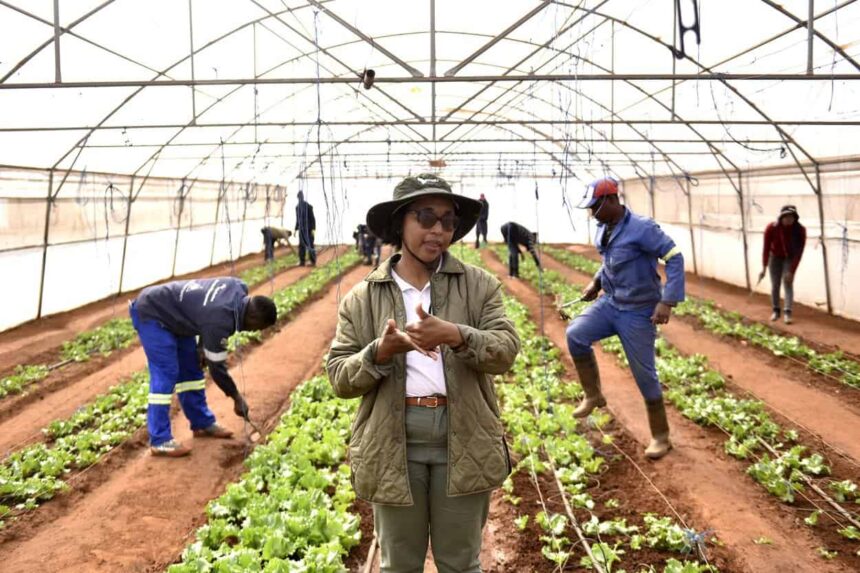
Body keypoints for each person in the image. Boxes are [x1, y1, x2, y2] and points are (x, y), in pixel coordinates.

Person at [327, 173, 520, 572]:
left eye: (448, 221)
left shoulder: (479, 286)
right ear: (400, 223)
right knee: (399, 564)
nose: (438, 231)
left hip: (462, 435)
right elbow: (339, 377)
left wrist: (456, 335)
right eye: (426, 218)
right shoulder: (362, 298)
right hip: (393, 441)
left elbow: (505, 352)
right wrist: (378, 353)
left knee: (461, 562)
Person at [565, 177, 685, 460]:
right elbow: (609, 261)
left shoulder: (642, 229)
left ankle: (661, 437)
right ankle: (593, 395)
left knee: (644, 375)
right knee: (576, 334)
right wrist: (596, 283)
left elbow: (675, 257)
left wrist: (667, 301)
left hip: (639, 311)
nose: (591, 212)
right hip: (611, 303)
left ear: (610, 200)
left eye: (595, 206)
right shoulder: (604, 228)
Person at [129, 278, 277, 457]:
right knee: (166, 372)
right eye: (257, 327)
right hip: (154, 312)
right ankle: (160, 440)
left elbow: (203, 309)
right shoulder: (221, 320)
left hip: (179, 316)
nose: (254, 331)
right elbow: (216, 368)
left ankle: (201, 423)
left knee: (191, 369)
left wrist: (202, 347)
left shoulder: (239, 286)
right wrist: (236, 397)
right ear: (252, 317)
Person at [759, 205, 806, 325]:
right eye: (786, 217)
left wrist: (792, 271)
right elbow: (766, 248)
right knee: (775, 284)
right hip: (774, 257)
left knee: (788, 282)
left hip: (789, 258)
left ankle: (787, 312)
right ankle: (776, 310)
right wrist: (764, 267)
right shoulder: (772, 228)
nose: (789, 220)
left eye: (791, 217)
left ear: (795, 218)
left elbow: (799, 253)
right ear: (781, 217)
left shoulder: (800, 230)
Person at [295, 191, 317, 266]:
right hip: (304, 229)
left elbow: (312, 218)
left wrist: (313, 229)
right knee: (304, 245)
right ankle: (304, 261)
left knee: (308, 245)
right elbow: (298, 219)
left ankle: (310, 261)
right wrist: (296, 229)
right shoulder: (298, 207)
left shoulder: (307, 206)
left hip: (307, 229)